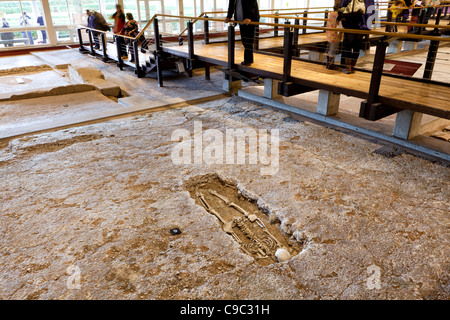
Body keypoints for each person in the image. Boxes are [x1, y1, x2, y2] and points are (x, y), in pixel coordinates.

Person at [224, 0, 260, 66]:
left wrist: (249, 17)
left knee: (248, 40)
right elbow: (231, 5)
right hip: (241, 20)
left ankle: (248, 60)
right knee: (244, 41)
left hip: (249, 20)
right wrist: (228, 16)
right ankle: (248, 59)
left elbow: (252, 5)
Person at [338, 0, 367, 74]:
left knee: (348, 47)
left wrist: (338, 18)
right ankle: (353, 67)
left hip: (350, 26)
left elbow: (341, 10)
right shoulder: (364, 2)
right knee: (356, 48)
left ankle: (348, 68)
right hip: (361, 27)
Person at [325, 1, 343, 69]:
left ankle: (327, 63)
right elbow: (339, 25)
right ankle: (331, 65)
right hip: (335, 33)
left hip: (329, 32)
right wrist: (341, 34)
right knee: (333, 49)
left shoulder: (330, 13)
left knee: (328, 49)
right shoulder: (338, 15)